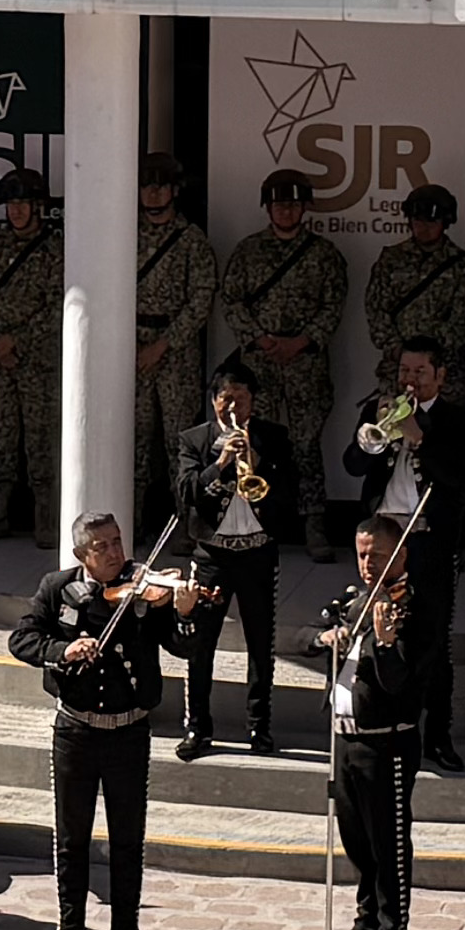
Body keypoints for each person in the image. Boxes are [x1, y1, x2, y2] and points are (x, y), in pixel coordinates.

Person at [12, 514, 184, 930]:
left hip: (129, 730)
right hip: (76, 730)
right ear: (81, 555)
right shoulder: (58, 587)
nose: (115, 554)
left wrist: (183, 608)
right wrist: (61, 651)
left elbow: (182, 646)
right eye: (102, 547)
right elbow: (22, 639)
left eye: (117, 541)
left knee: (128, 837)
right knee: (72, 837)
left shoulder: (145, 592)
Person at [342, 337, 465, 773]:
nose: (410, 380)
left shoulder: (458, 422)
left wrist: (419, 439)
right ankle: (379, 721)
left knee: (432, 641)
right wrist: (376, 439)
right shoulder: (378, 411)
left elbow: (459, 480)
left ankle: (437, 736)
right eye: (405, 371)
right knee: (372, 632)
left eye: (420, 372)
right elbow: (352, 465)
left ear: (439, 376)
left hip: (426, 542)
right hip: (381, 538)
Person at [321, 517, 437, 930]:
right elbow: (304, 638)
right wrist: (324, 639)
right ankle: (366, 921)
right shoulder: (353, 601)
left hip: (385, 738)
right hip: (344, 738)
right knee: (357, 840)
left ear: (401, 555)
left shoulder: (418, 608)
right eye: (362, 554)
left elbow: (401, 683)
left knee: (388, 841)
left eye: (377, 555)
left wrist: (386, 644)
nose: (368, 565)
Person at [217, 175, 353, 552]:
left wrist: (301, 341)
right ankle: (254, 521)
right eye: (279, 205)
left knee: (306, 445)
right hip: (259, 363)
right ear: (268, 208)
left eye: (293, 204)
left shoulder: (324, 254)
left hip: (305, 363)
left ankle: (314, 525)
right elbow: (232, 300)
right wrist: (260, 339)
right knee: (253, 444)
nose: (286, 211)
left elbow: (333, 304)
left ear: (304, 208)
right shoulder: (249, 251)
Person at [172, 366, 290, 763]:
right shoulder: (195, 440)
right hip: (213, 556)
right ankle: (197, 728)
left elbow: (288, 495)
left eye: (241, 398)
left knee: (261, 644)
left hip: (257, 553)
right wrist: (221, 463)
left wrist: (259, 464)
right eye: (226, 398)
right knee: (200, 645)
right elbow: (187, 494)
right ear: (214, 400)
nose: (233, 406)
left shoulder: (273, 437)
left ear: (253, 402)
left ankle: (259, 725)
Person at [0, 167, 63, 541]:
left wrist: (16, 340)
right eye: (11, 203)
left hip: (38, 363)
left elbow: (59, 305)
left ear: (38, 206)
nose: (17, 210)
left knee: (41, 440)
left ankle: (46, 518)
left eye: (23, 202)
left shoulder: (56, 250)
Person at [359, 182, 465, 441]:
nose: (423, 227)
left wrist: (428, 357)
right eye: (417, 219)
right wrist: (396, 348)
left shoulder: (460, 267)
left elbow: (463, 321)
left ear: (445, 222)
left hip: (442, 377)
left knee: (441, 443)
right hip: (397, 370)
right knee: (389, 440)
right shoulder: (391, 259)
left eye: (431, 221)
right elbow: (375, 308)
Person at [128, 155, 215, 484]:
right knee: (131, 441)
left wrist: (162, 345)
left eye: (161, 186)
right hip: (132, 346)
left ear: (174, 191)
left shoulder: (191, 241)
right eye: (146, 186)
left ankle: (183, 522)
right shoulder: (122, 236)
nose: (152, 194)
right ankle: (129, 523)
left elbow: (201, 299)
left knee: (180, 443)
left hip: (175, 352)